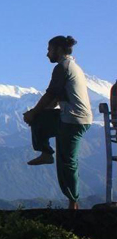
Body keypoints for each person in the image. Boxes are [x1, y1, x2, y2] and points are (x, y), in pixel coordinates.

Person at [23, 35, 92, 210]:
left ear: (59, 49)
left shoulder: (63, 67)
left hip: (73, 120)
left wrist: (33, 112)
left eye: (49, 50)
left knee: (66, 160)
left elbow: (51, 94)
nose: (47, 54)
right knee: (39, 119)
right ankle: (45, 152)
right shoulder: (71, 66)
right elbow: (55, 99)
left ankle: (73, 202)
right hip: (68, 116)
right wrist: (36, 115)